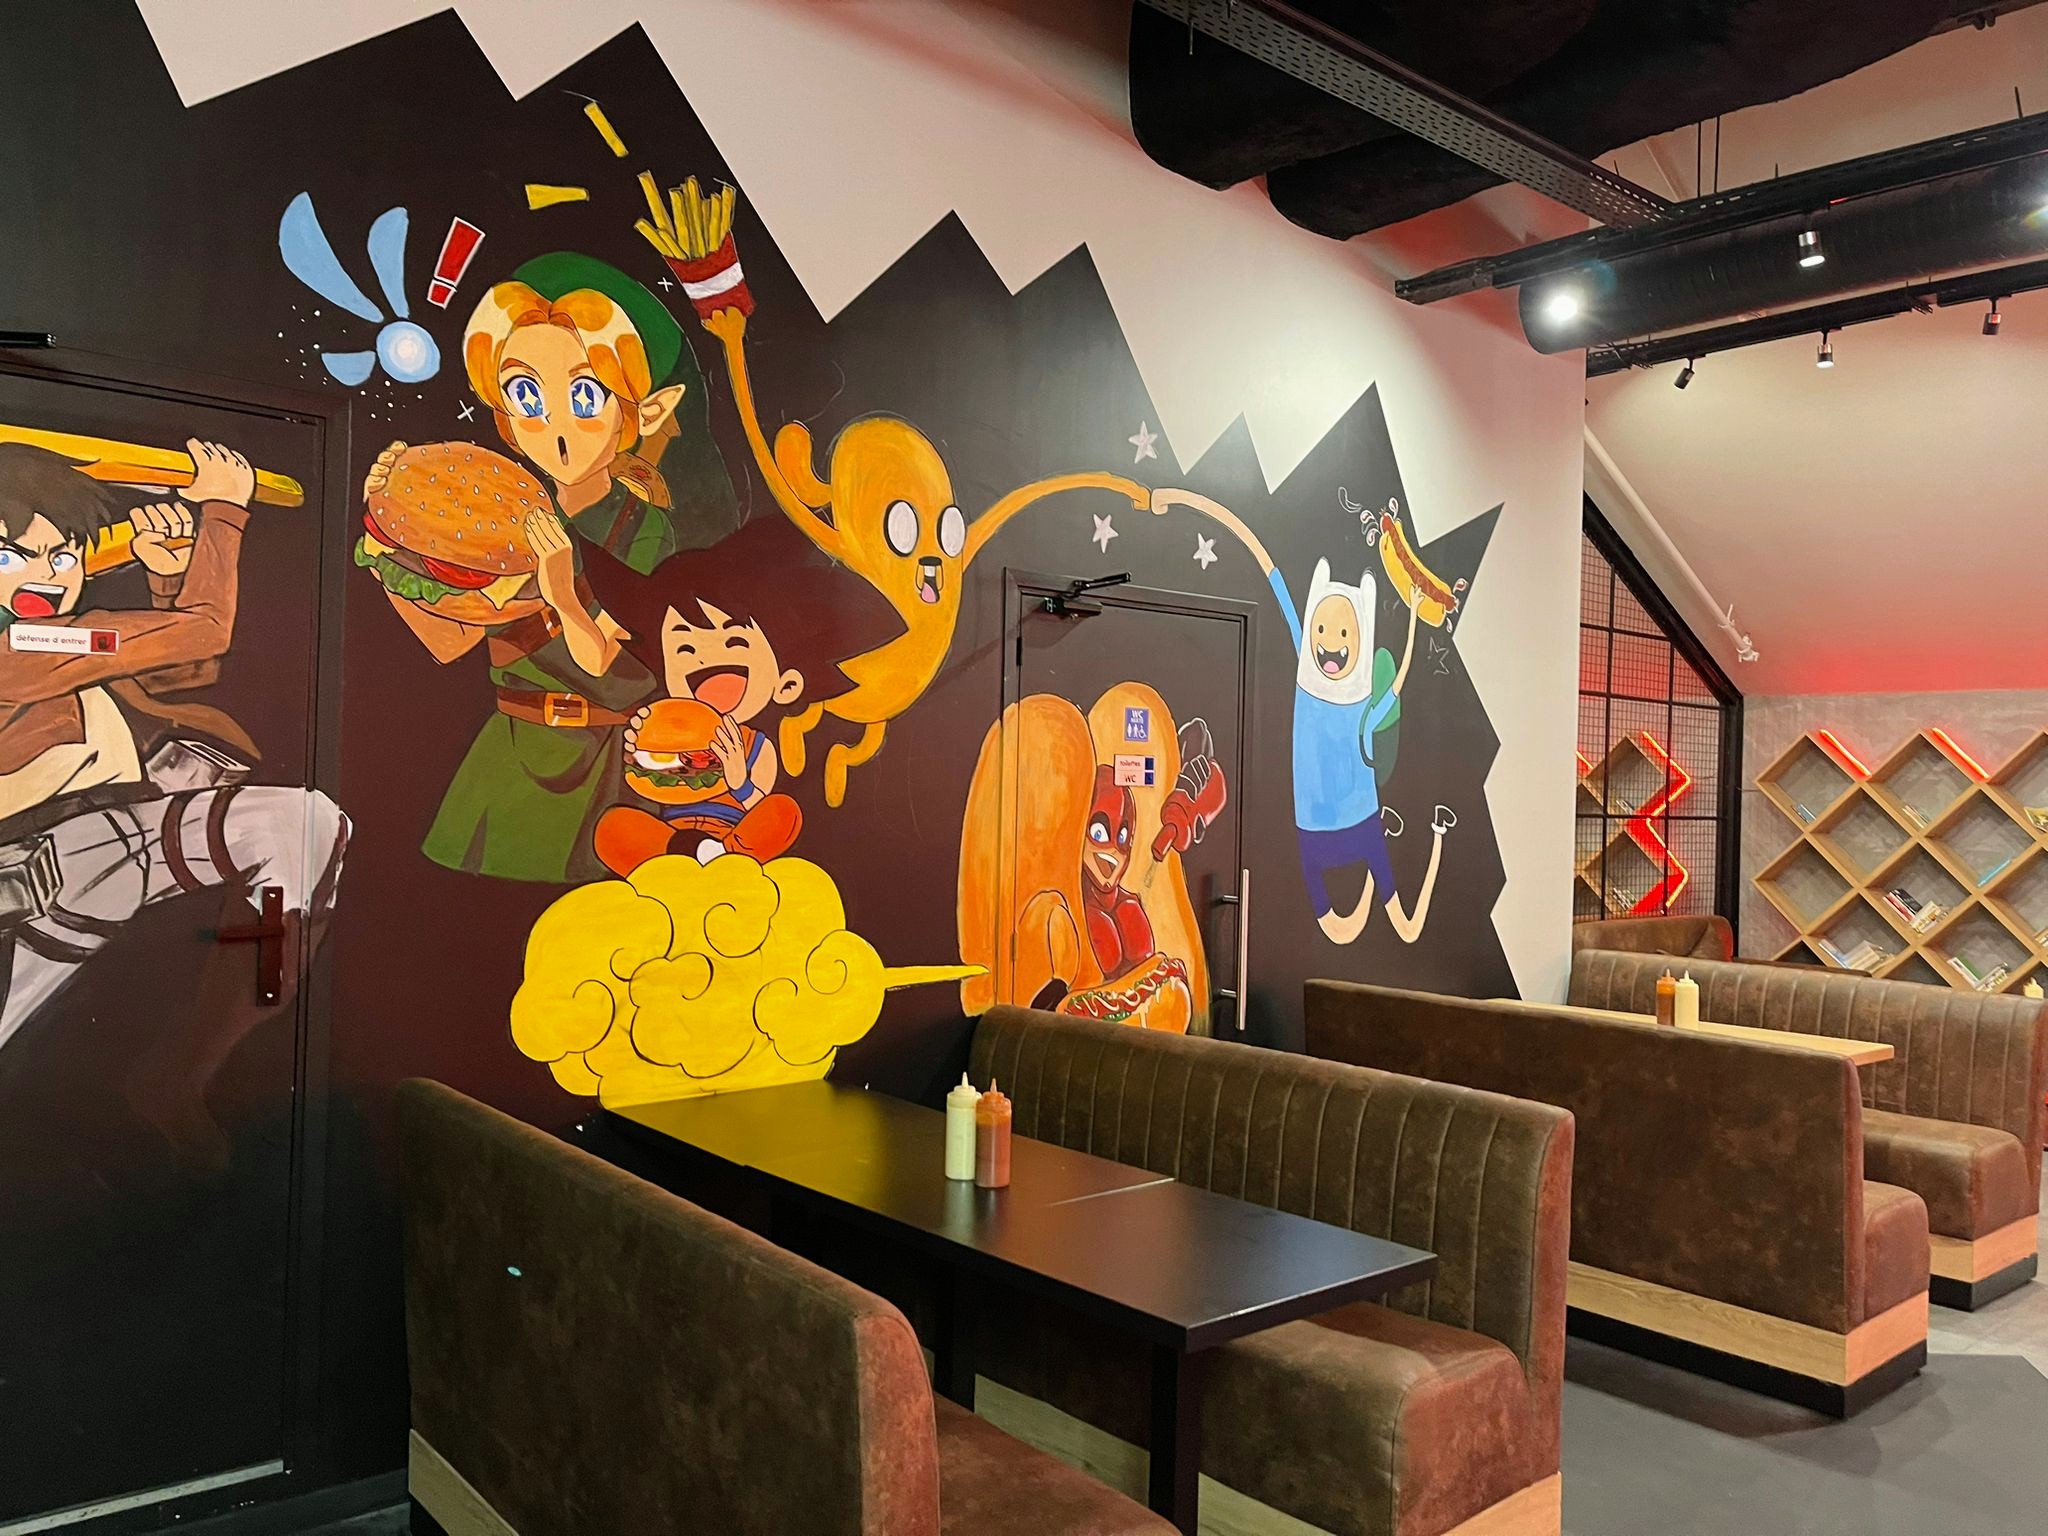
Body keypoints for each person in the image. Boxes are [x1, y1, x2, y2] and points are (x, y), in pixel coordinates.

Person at [0, 439, 347, 1053]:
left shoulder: (53, 642)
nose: (45, 577)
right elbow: (203, 633)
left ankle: (205, 1059)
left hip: (97, 847)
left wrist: (166, 580)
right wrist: (224, 512)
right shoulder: (26, 645)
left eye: (63, 555)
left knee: (297, 826)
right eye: (10, 557)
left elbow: (176, 671)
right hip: (50, 857)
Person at [462, 252, 738, 575]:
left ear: (649, 413)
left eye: (586, 398)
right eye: (525, 395)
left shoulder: (645, 530)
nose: (559, 432)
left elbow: (643, 606)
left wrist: (562, 593)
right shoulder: (522, 507)